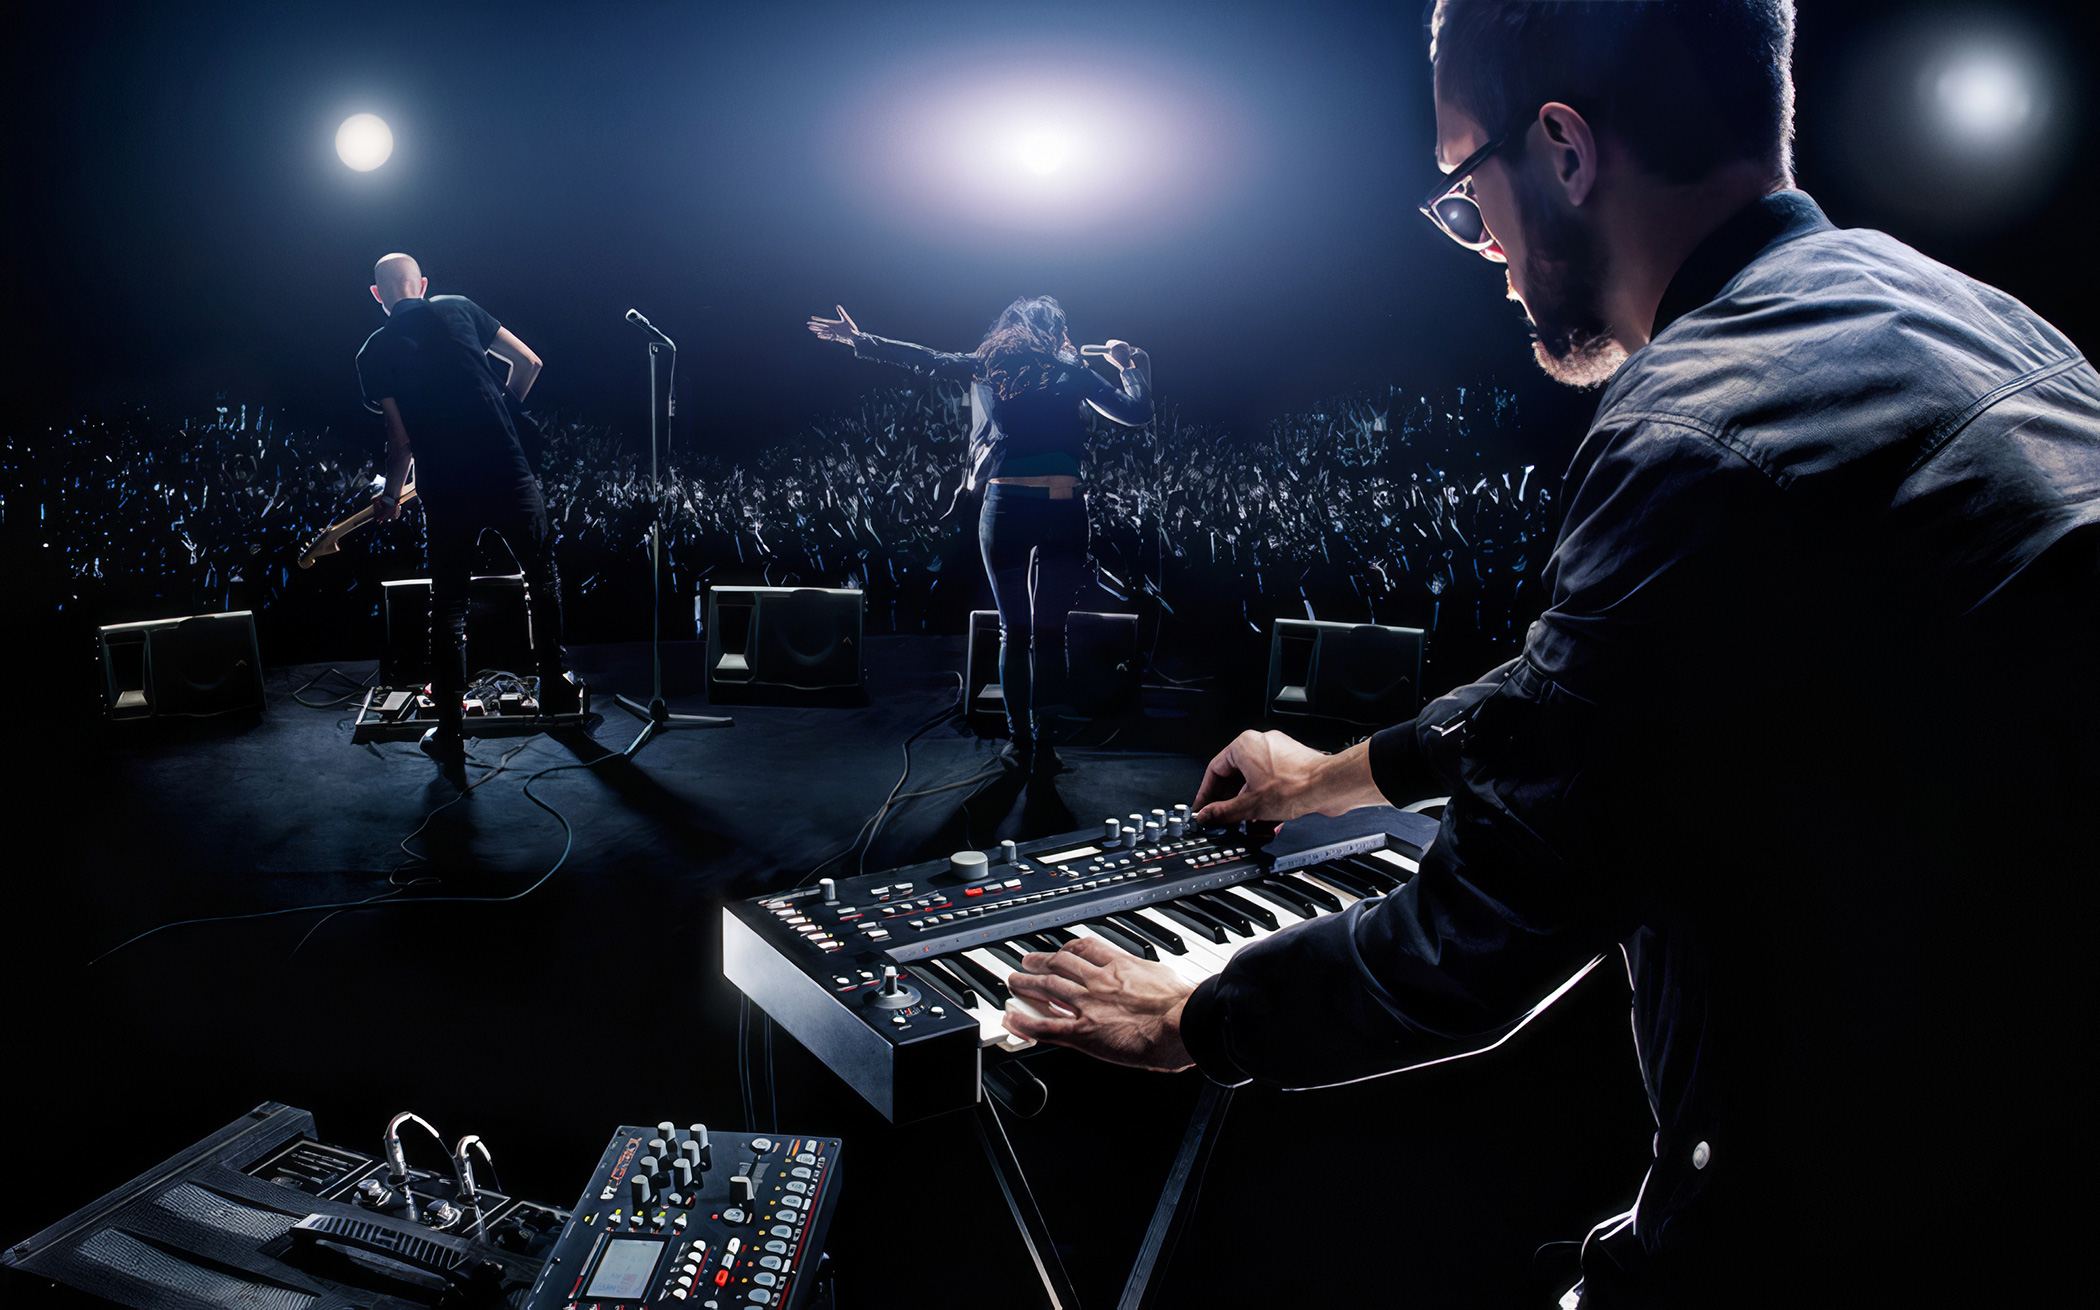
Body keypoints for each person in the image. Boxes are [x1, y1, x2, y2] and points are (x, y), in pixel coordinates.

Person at [1002, 3, 2098, 1305]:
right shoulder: (1990, 327)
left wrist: (1193, 1016)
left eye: (1471, 195)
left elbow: (1479, 931)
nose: (1494, 256)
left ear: (1564, 151)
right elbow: (1600, 690)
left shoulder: (1696, 428)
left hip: (1868, 1222)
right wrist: (1333, 776)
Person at [809, 297, 1152, 773]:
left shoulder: (991, 364)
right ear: (1055, 332)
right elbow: (1136, 412)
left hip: (1007, 507)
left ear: (1013, 329)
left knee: (1017, 631)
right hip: (1064, 508)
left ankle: (1020, 744)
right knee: (1050, 633)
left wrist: (860, 339)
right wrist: (1133, 365)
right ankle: (1045, 747)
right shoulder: (1070, 371)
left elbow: (924, 358)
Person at [356, 253, 578, 773]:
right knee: (541, 580)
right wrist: (505, 409)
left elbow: (400, 439)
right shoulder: (457, 307)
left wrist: (390, 496)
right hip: (507, 468)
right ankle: (554, 692)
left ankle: (451, 731)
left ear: (377, 295)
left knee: (449, 605)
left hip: (447, 486)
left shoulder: (374, 351)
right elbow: (530, 364)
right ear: (424, 284)